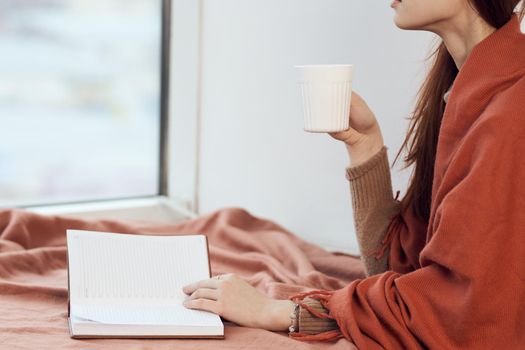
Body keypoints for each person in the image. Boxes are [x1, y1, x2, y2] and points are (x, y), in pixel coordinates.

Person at [182, 0, 525, 348]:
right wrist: (365, 144)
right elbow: (402, 270)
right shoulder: (465, 88)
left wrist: (278, 310)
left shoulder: (511, 112)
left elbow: (463, 313)